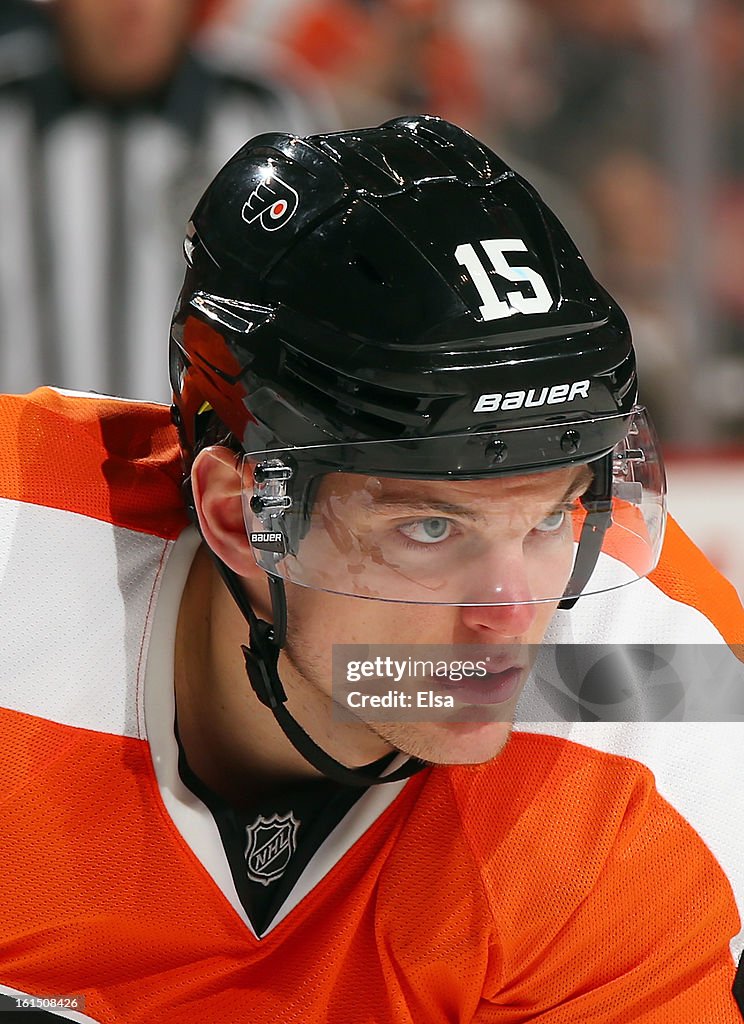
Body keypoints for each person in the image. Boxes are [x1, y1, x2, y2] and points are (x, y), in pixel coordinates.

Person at [1, 115, 743, 1022]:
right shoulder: (19, 563)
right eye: (431, 528)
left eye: (552, 515)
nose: (510, 615)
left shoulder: (655, 713)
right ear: (241, 516)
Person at [0, 0, 335, 401]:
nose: (132, 10)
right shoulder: (8, 116)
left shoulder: (266, 111)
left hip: (211, 460)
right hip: (26, 455)